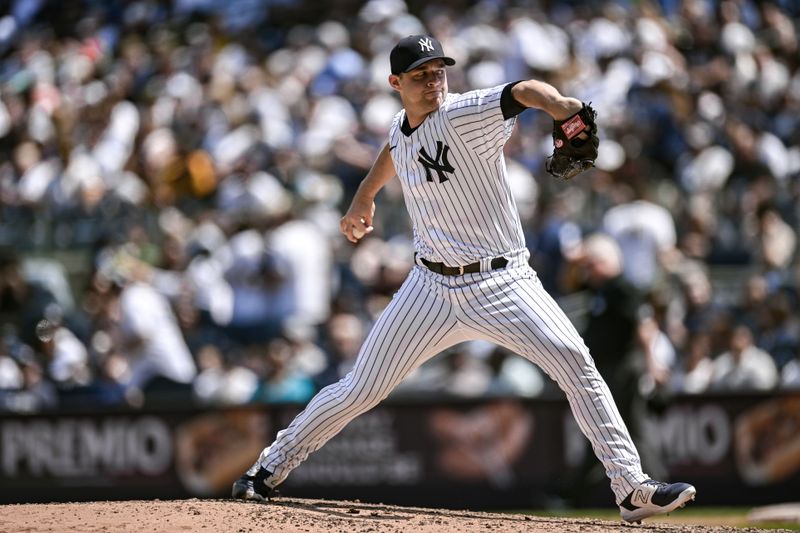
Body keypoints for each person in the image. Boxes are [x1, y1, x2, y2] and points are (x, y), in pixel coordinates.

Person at [232, 34, 696, 523]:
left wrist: (561, 106)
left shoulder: (464, 113)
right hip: (429, 287)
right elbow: (395, 148)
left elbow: (523, 91)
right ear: (396, 83)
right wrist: (363, 197)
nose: (433, 81)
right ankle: (267, 469)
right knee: (360, 389)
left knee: (575, 362)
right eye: (420, 75)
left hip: (503, 282)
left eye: (438, 71)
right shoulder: (399, 125)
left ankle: (630, 487)